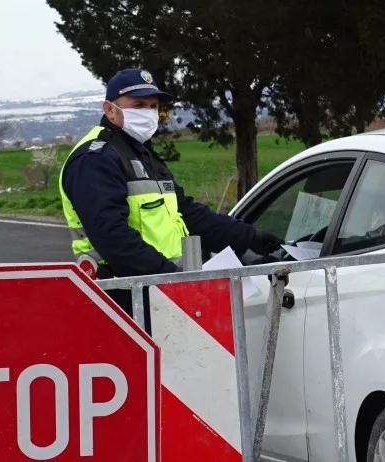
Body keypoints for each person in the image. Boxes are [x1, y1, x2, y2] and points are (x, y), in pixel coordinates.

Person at [58, 68, 283, 328]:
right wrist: (172, 279)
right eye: (138, 105)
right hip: (125, 303)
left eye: (153, 106)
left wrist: (248, 236)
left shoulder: (141, 155)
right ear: (110, 110)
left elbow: (188, 213)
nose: (148, 113)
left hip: (162, 295)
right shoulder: (95, 158)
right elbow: (112, 237)